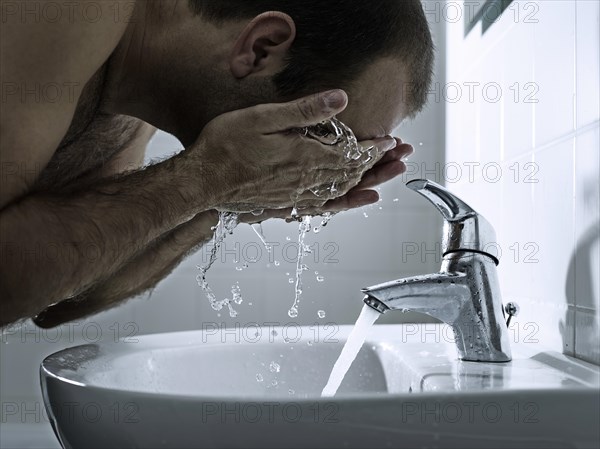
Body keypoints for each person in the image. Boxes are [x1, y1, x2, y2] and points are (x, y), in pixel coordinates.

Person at [0, 0, 434, 328]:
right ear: (261, 48)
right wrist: (208, 179)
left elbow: (58, 298)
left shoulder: (134, 102)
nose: (315, 166)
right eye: (326, 133)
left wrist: (225, 200)